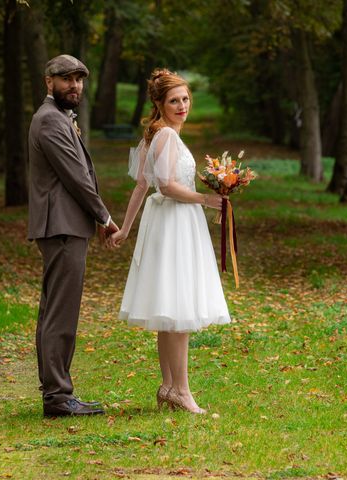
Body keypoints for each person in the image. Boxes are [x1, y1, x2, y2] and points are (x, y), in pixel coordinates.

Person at [108, 68, 230, 414]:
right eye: (174, 100)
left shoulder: (156, 135)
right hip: (175, 221)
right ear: (159, 104)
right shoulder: (166, 137)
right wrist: (207, 200)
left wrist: (126, 229)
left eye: (186, 99)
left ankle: (169, 388)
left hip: (170, 221)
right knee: (179, 309)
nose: (182, 106)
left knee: (171, 310)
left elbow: (140, 186)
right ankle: (183, 391)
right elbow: (164, 186)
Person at [28, 54, 118, 417]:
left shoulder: (57, 118)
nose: (75, 85)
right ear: (49, 82)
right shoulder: (50, 120)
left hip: (64, 225)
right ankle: (58, 397)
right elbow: (77, 178)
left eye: (79, 79)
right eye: (67, 79)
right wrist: (105, 217)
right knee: (60, 314)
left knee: (54, 311)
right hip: (62, 226)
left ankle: (56, 392)